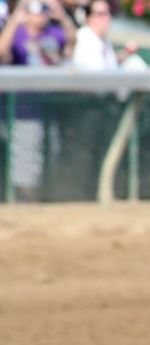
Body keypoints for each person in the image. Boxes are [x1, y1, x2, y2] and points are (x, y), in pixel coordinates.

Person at [0, 0, 73, 201]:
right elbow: (2, 53)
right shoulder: (17, 32)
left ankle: (32, 201)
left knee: (42, 161)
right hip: (20, 109)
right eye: (34, 12)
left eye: (42, 11)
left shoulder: (53, 32)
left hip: (48, 108)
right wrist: (16, 18)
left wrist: (62, 16)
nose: (39, 16)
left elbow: (70, 45)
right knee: (23, 163)